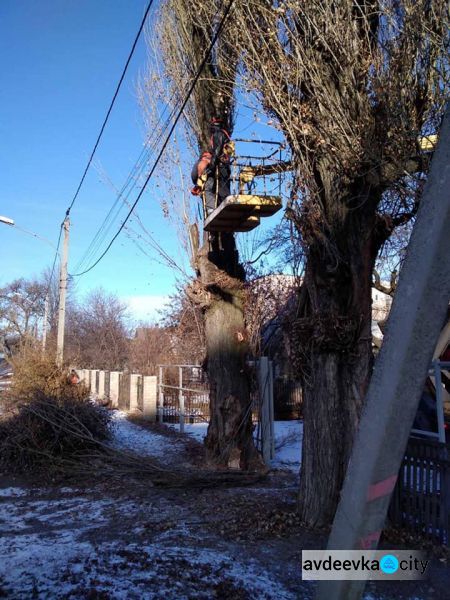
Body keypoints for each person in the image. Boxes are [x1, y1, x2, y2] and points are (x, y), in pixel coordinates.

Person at [191, 117, 234, 216]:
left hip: (222, 166)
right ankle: (223, 209)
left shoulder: (218, 135)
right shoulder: (225, 135)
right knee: (223, 189)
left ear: (214, 127)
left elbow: (217, 151)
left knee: (220, 191)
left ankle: (219, 211)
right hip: (225, 166)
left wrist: (211, 167)